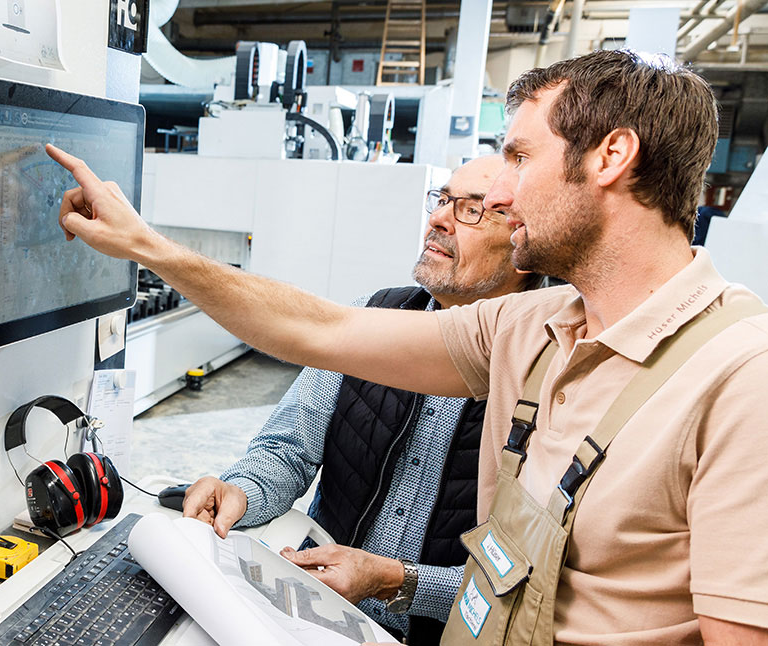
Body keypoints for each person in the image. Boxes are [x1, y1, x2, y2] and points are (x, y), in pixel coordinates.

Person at [45, 49, 768, 644]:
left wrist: (399, 581)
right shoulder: (535, 328)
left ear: (612, 155)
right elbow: (320, 330)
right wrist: (146, 246)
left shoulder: (741, 375)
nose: (506, 193)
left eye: (520, 156)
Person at [179, 155, 543, 645]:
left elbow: (529, 583)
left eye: (471, 210)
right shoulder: (377, 316)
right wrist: (241, 492)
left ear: (522, 240)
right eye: (442, 200)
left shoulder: (544, 368)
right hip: (312, 609)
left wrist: (401, 583)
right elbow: (289, 448)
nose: (438, 219)